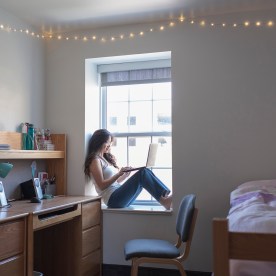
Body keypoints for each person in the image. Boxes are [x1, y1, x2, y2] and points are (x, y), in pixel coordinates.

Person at [84, 129, 172, 209]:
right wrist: (118, 173)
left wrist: (124, 175)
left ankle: (164, 196)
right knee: (142, 173)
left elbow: (115, 182)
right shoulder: (95, 160)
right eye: (107, 142)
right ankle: (164, 201)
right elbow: (101, 185)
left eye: (110, 143)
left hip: (118, 196)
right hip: (113, 200)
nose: (109, 145)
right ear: (99, 142)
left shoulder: (104, 159)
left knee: (144, 172)